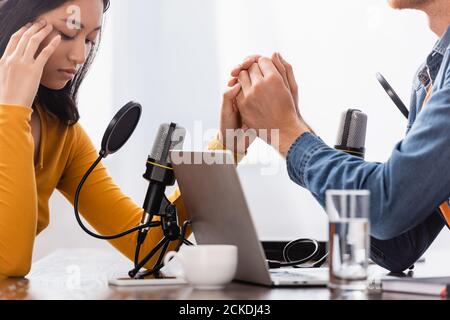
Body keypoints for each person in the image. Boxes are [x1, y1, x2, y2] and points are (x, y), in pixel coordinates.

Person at [0, 0, 242, 278]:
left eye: (90, 40)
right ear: (16, 20)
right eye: (67, 34)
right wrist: (12, 112)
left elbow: (149, 247)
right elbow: (10, 262)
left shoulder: (62, 134)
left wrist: (228, 145)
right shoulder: (14, 119)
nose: (80, 55)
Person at [225, 0, 450, 273]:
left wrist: (289, 133)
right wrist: (294, 126)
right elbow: (397, 245)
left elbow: (388, 203)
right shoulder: (432, 75)